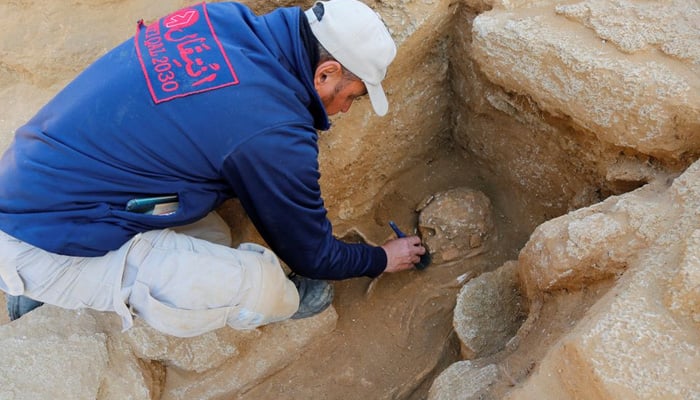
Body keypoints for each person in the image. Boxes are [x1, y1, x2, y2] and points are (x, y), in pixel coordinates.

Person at [0, 0, 426, 337]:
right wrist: (377, 258)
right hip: (39, 242)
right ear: (326, 72)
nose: (346, 109)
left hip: (39, 178)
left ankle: (57, 280)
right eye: (351, 95)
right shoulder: (272, 131)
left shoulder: (224, 18)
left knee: (214, 235)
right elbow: (312, 255)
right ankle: (44, 290)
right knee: (259, 283)